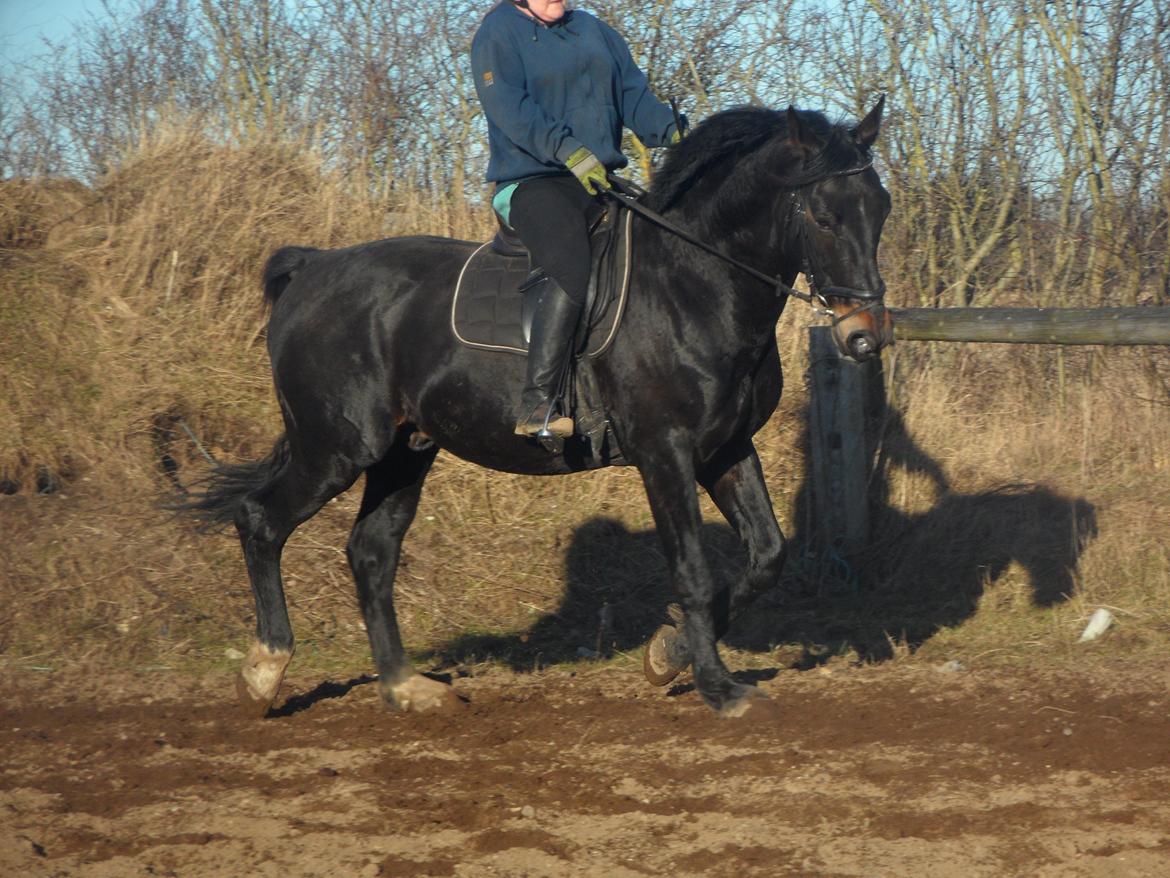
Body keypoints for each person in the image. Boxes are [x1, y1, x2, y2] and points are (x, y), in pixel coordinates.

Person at [470, 0, 683, 437]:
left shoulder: (595, 31)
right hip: (532, 181)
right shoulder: (498, 33)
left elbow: (633, 97)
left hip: (598, 180)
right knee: (571, 258)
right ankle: (538, 404)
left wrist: (673, 129)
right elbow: (510, 107)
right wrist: (567, 149)